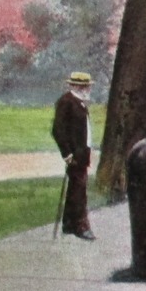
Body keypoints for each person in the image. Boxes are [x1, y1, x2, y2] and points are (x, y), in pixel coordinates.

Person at [51, 71, 95, 240]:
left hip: (82, 153)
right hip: (75, 155)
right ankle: (81, 227)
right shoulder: (66, 102)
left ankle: (69, 224)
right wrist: (67, 153)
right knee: (79, 191)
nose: (88, 89)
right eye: (86, 86)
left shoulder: (79, 102)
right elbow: (58, 130)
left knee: (75, 188)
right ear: (77, 86)